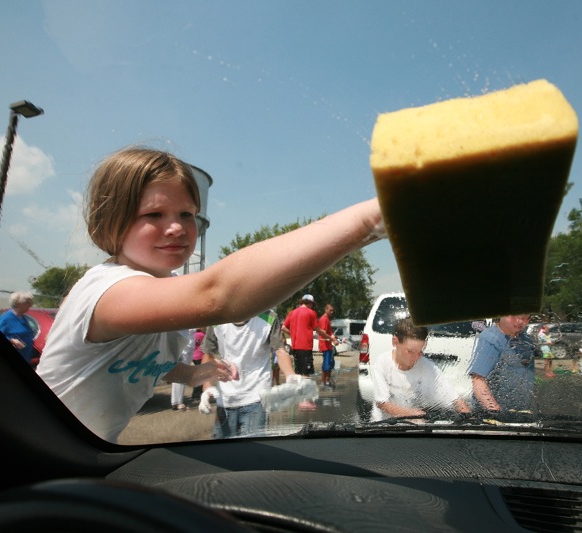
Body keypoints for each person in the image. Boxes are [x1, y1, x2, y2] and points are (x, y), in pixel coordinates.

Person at [36, 147, 385, 442]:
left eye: (187, 214)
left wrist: (195, 375)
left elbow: (148, 363)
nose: (176, 227)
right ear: (110, 220)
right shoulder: (108, 290)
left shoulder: (162, 293)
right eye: (154, 214)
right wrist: (369, 223)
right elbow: (219, 294)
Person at [199, 310, 296, 438]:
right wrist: (206, 389)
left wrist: (291, 376)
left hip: (256, 398)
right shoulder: (218, 317)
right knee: (222, 453)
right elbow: (208, 354)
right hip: (226, 398)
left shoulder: (268, 317)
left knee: (253, 451)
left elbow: (279, 350)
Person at [370, 318, 470, 422]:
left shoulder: (427, 367)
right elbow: (382, 403)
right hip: (383, 429)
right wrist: (414, 414)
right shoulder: (383, 362)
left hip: (415, 430)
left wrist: (470, 420)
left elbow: (455, 399)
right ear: (395, 342)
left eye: (420, 352)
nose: (416, 358)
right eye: (410, 351)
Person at [468, 314, 536, 415]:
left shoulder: (526, 340)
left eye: (527, 318)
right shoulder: (491, 339)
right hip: (494, 416)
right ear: (501, 314)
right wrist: (496, 412)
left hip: (522, 412)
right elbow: (478, 381)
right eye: (515, 316)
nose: (521, 321)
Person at [282, 294, 333, 377]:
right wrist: (330, 338)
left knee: (298, 373)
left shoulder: (292, 312)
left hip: (295, 347)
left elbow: (283, 327)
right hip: (305, 347)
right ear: (310, 303)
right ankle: (305, 390)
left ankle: (299, 389)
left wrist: (294, 334)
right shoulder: (311, 313)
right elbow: (318, 330)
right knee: (306, 375)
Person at [0, 291, 37, 366]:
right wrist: (11, 340)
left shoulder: (23, 318)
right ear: (18, 304)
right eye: (28, 302)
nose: (30, 305)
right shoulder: (6, 318)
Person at [318, 303, 339, 388]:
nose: (332, 312)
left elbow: (328, 332)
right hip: (325, 345)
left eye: (332, 310)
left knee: (331, 363)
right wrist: (332, 339)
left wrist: (334, 336)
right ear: (325, 310)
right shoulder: (323, 319)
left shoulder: (327, 319)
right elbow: (323, 333)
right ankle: (323, 382)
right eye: (330, 310)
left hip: (329, 345)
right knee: (326, 364)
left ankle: (328, 381)